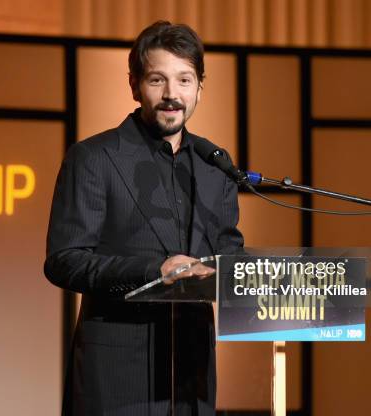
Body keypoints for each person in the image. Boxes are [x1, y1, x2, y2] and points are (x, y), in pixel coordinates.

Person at [44, 20, 244, 416]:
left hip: (192, 377)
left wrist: (240, 273)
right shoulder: (94, 158)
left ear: (200, 88)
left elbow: (229, 252)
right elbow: (65, 260)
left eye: (185, 80)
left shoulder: (214, 165)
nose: (172, 95)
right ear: (134, 85)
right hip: (117, 378)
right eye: (158, 80)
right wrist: (156, 270)